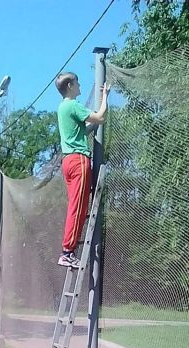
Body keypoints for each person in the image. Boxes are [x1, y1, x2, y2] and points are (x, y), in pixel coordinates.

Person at [55, 72, 110, 268]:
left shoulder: (62, 108)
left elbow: (82, 130)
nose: (80, 86)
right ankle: (67, 252)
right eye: (77, 82)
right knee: (78, 208)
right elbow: (100, 117)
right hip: (78, 160)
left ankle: (68, 250)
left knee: (76, 206)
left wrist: (91, 128)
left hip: (68, 161)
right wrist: (105, 97)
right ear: (69, 86)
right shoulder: (72, 105)